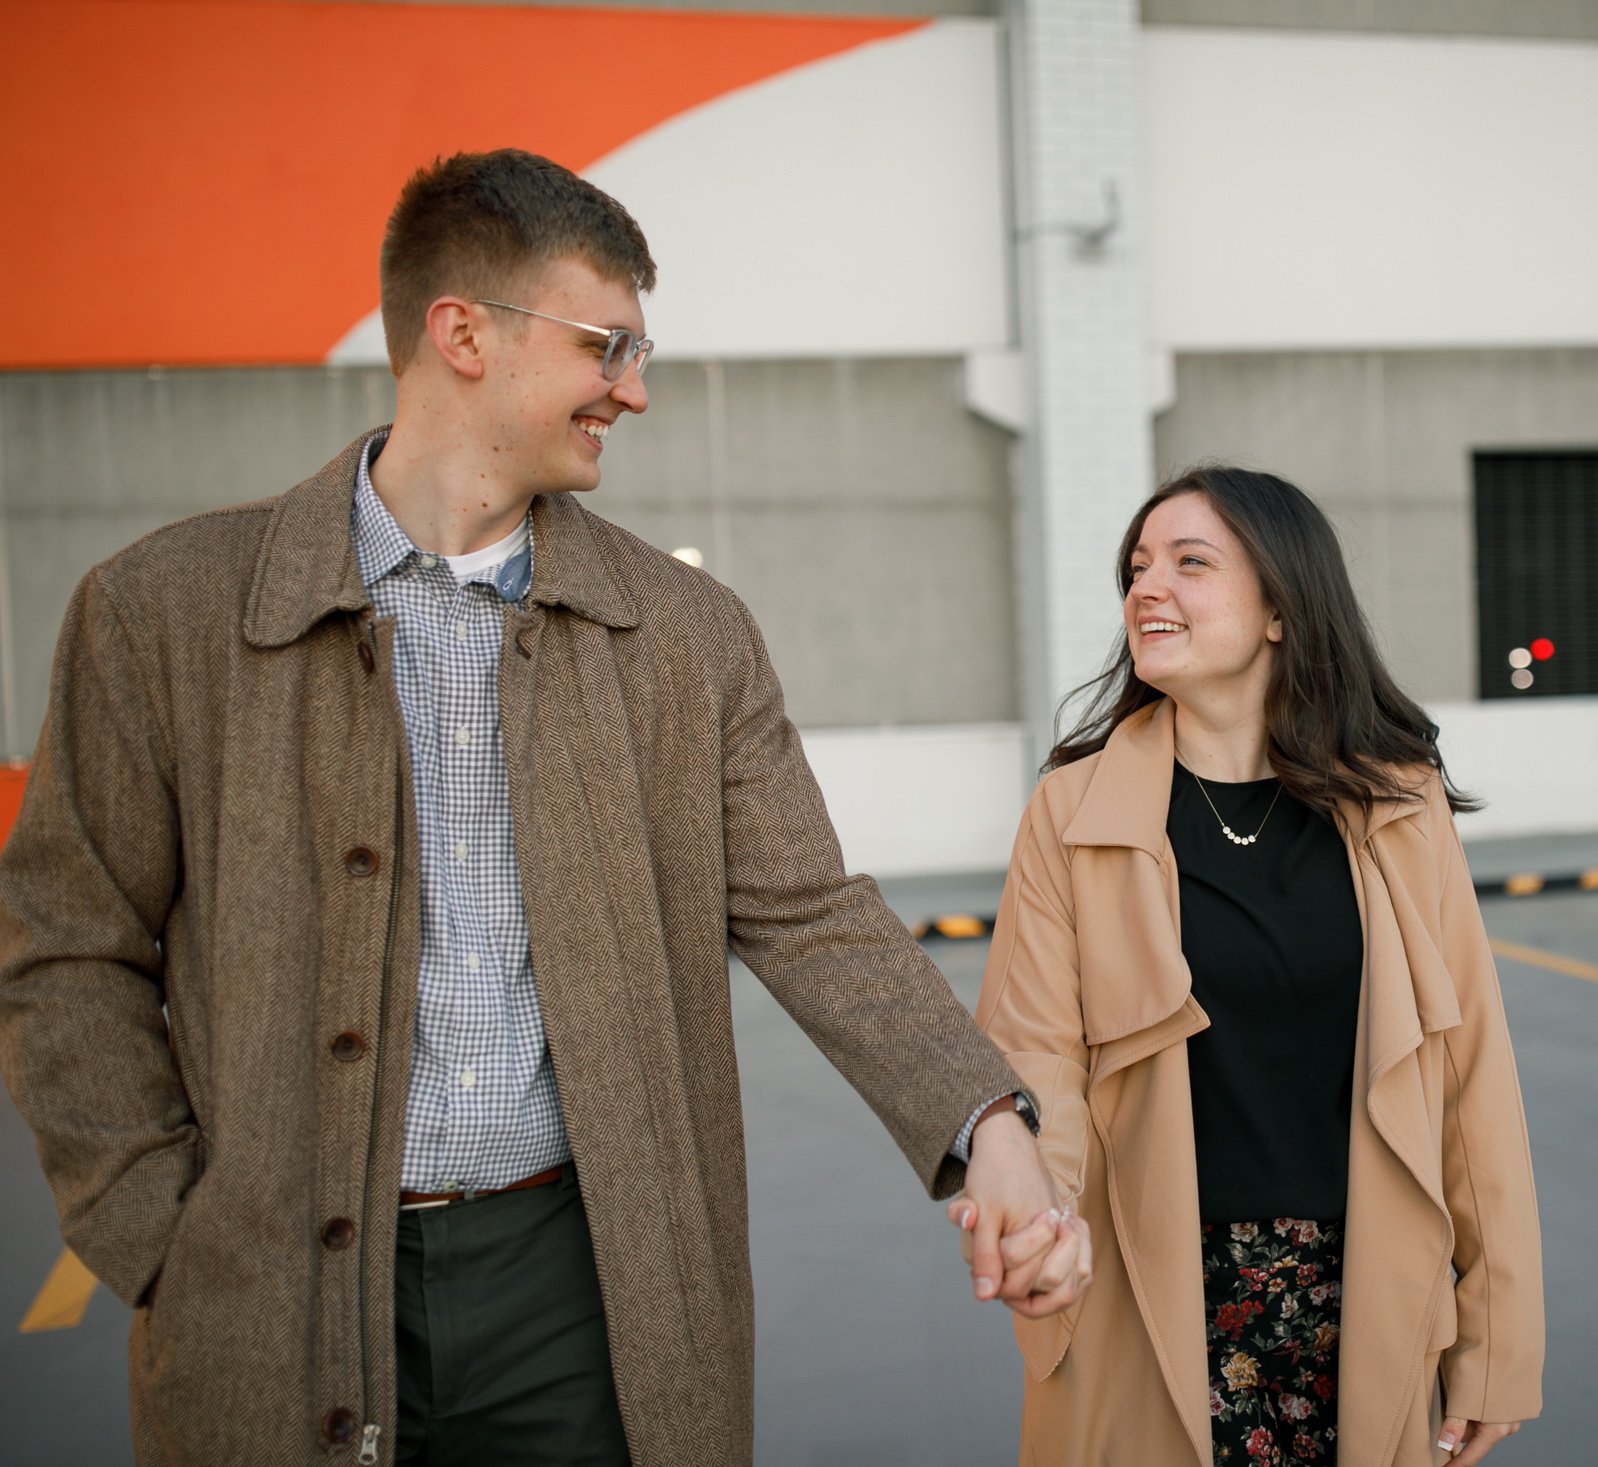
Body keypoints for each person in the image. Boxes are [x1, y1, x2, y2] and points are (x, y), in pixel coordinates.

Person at [0, 148, 1086, 1467]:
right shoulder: (160, 612)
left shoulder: (685, 635)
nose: (632, 389)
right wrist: (157, 1228)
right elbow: (65, 948)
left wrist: (989, 1126)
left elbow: (814, 914)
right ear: (461, 332)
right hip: (271, 1288)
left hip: (585, 1286)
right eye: (605, 346)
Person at [964, 466, 1543, 1466]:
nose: (1148, 587)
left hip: (1363, 1291)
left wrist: (1498, 1340)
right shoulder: (1070, 812)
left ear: (1280, 608)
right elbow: (1033, 1056)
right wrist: (1041, 1214)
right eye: (1137, 566)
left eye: (1190, 563)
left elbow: (1469, 1084)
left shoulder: (1398, 811)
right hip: (1148, 1294)